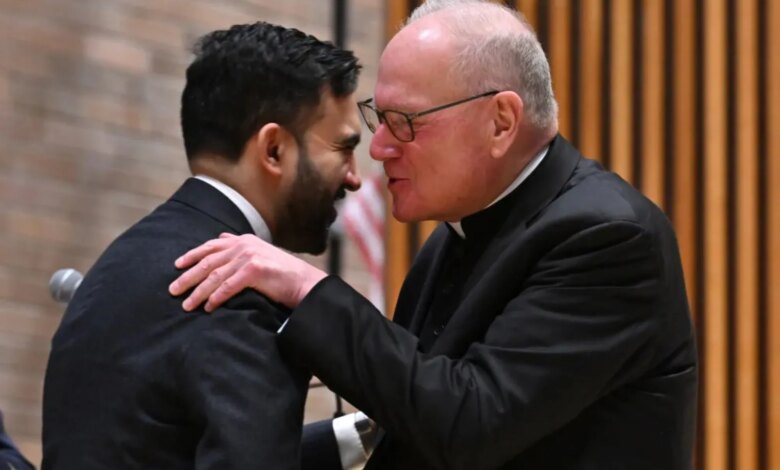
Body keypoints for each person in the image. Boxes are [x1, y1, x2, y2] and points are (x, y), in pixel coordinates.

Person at [169, 1, 698, 469]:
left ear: (501, 121)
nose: (378, 150)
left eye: (406, 122)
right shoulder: (456, 233)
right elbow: (410, 426)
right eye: (383, 118)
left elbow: (469, 425)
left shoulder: (608, 238)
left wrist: (307, 290)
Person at [42, 21, 362, 469]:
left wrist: (356, 437)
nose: (354, 176)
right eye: (343, 148)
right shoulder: (233, 291)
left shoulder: (121, 262)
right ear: (273, 150)